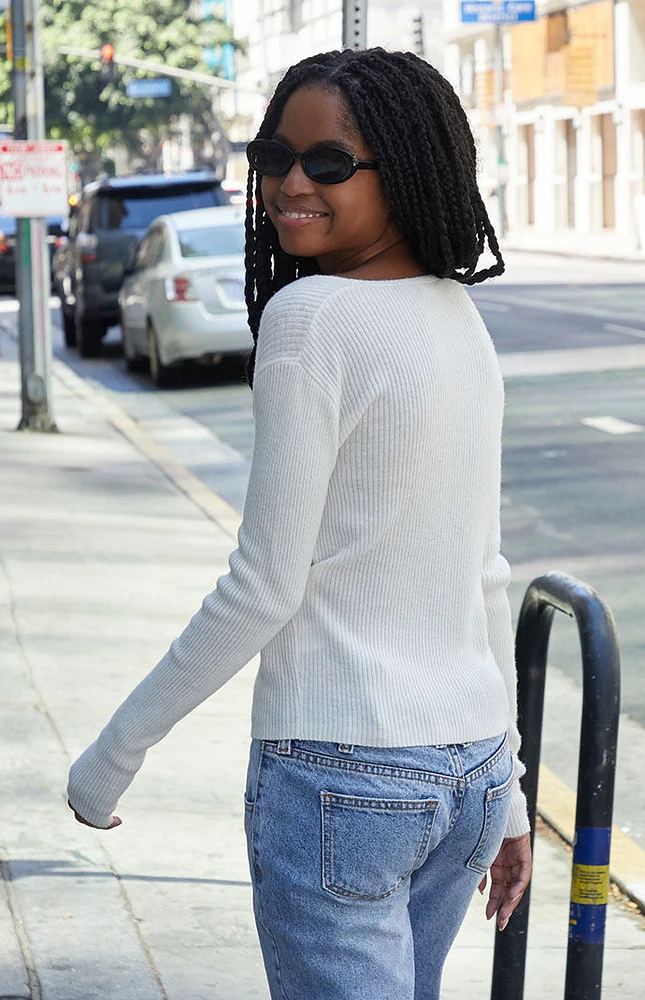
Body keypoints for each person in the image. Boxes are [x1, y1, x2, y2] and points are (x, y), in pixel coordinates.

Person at [68, 47, 532, 1000]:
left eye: (328, 164)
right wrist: (512, 798)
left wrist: (114, 755)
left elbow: (263, 586)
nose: (289, 183)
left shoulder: (310, 318)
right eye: (273, 155)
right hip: (469, 776)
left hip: (343, 774)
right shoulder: (456, 316)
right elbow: (484, 570)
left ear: (404, 169)